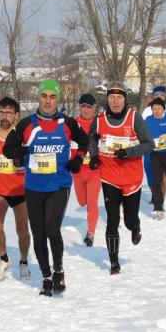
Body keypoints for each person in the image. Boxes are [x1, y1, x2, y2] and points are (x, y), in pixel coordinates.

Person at [4, 79, 89, 295]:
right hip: (34, 187)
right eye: (44, 96)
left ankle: (58, 269)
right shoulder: (26, 124)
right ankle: (46, 277)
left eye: (52, 96)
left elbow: (85, 141)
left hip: (59, 185)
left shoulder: (68, 123)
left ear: (57, 99)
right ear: (39, 98)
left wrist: (78, 159)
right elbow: (8, 148)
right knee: (39, 233)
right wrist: (19, 153)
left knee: (52, 229)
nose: (48, 101)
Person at [88, 81, 153, 274]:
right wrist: (93, 156)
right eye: (111, 97)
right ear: (107, 99)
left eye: (119, 97)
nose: (115, 101)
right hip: (109, 177)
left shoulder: (135, 118)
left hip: (132, 178)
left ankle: (135, 226)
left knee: (128, 220)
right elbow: (92, 138)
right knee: (113, 219)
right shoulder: (100, 119)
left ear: (125, 99)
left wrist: (129, 152)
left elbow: (149, 145)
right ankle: (114, 262)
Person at [0, 97, 31, 281]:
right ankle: (4, 259)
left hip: (20, 189)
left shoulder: (23, 135)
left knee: (23, 230)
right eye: (2, 112)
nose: (4, 116)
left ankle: (24, 260)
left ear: (16, 115)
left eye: (9, 113)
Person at [73, 93, 101, 246]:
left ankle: (90, 233)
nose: (86, 110)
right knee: (82, 202)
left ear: (94, 108)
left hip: (94, 171)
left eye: (89, 107)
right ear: (79, 107)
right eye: (83, 106)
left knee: (92, 202)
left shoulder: (99, 123)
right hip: (77, 172)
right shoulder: (73, 123)